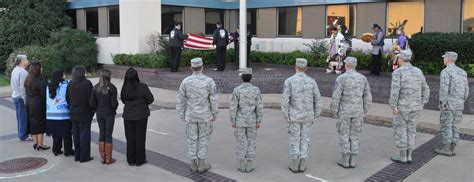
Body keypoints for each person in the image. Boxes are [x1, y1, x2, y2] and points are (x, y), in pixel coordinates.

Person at [177, 58, 218, 173]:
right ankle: (201, 164)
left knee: (192, 139)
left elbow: (180, 99)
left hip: (191, 115)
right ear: (202, 67)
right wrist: (214, 113)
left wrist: (181, 113)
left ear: (191, 68)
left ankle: (193, 164)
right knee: (203, 139)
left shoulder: (185, 81)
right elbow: (214, 99)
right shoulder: (209, 81)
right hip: (205, 116)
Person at [330, 57, 372, 168]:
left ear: (346, 65)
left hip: (345, 111)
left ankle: (345, 160)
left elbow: (336, 96)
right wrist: (366, 109)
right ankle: (353, 160)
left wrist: (334, 110)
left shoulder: (341, 78)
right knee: (355, 135)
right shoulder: (362, 78)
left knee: (344, 135)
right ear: (355, 65)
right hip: (358, 111)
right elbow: (367, 96)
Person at [389, 50, 430, 164]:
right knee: (412, 130)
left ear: (401, 59)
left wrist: (393, 106)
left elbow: (395, 91)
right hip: (416, 107)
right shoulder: (418, 71)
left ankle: (403, 156)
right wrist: (422, 103)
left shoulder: (398, 72)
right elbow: (426, 89)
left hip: (402, 108)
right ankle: (409, 155)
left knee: (401, 130)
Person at [281, 58, 322, 173]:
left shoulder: (289, 81)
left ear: (295, 67)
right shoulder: (312, 81)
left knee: (294, 139)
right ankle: (302, 165)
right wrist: (316, 115)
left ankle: (294, 165)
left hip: (294, 116)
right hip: (308, 116)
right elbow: (318, 99)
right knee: (305, 140)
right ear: (306, 68)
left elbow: (285, 99)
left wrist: (286, 115)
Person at [435, 52, 469, 156]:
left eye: (444, 58)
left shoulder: (446, 72)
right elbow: (466, 90)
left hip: (448, 104)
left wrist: (442, 104)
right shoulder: (462, 72)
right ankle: (453, 148)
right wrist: (462, 100)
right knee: (455, 125)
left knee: (447, 125)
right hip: (459, 104)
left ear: (448, 59)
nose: (443, 59)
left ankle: (446, 149)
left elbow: (444, 89)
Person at [229, 70, 263, 173]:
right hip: (252, 120)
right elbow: (259, 107)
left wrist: (233, 120)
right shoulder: (256, 90)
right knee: (251, 142)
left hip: (240, 120)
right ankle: (250, 164)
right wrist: (258, 121)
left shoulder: (237, 90)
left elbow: (233, 107)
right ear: (251, 77)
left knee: (240, 142)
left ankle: (241, 165)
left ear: (242, 77)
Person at [121, 67, 154, 166]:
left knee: (130, 138)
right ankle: (140, 160)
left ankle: (130, 160)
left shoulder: (124, 87)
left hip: (128, 115)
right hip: (141, 115)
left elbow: (123, 100)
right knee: (140, 137)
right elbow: (150, 99)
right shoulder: (142, 86)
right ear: (136, 76)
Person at [90, 69, 119, 164]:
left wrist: (96, 109)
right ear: (109, 76)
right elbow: (114, 104)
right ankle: (108, 158)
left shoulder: (95, 88)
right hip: (109, 113)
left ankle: (103, 157)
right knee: (108, 134)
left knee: (102, 133)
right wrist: (114, 107)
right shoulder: (112, 88)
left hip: (100, 113)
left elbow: (92, 103)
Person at [67, 65, 95, 163]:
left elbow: (67, 98)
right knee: (84, 135)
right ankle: (84, 156)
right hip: (85, 112)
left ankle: (77, 155)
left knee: (76, 134)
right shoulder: (87, 83)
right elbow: (91, 99)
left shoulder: (70, 83)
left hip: (73, 112)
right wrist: (92, 110)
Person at [46, 70, 73, 156]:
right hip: (63, 114)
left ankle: (56, 149)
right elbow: (69, 97)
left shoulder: (48, 86)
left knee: (56, 134)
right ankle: (68, 151)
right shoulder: (66, 85)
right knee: (67, 134)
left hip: (50, 115)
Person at [25, 61, 49, 151]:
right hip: (39, 104)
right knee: (40, 123)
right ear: (38, 69)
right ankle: (40, 144)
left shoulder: (28, 78)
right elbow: (44, 93)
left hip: (29, 103)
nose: (42, 69)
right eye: (41, 67)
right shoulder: (40, 79)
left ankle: (35, 142)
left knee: (33, 123)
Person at [10, 55, 30, 141]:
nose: (27, 61)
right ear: (22, 61)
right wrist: (25, 99)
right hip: (20, 97)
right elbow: (23, 87)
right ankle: (23, 135)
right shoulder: (23, 72)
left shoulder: (15, 70)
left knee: (19, 116)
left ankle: (21, 133)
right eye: (26, 59)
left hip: (15, 95)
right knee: (23, 117)